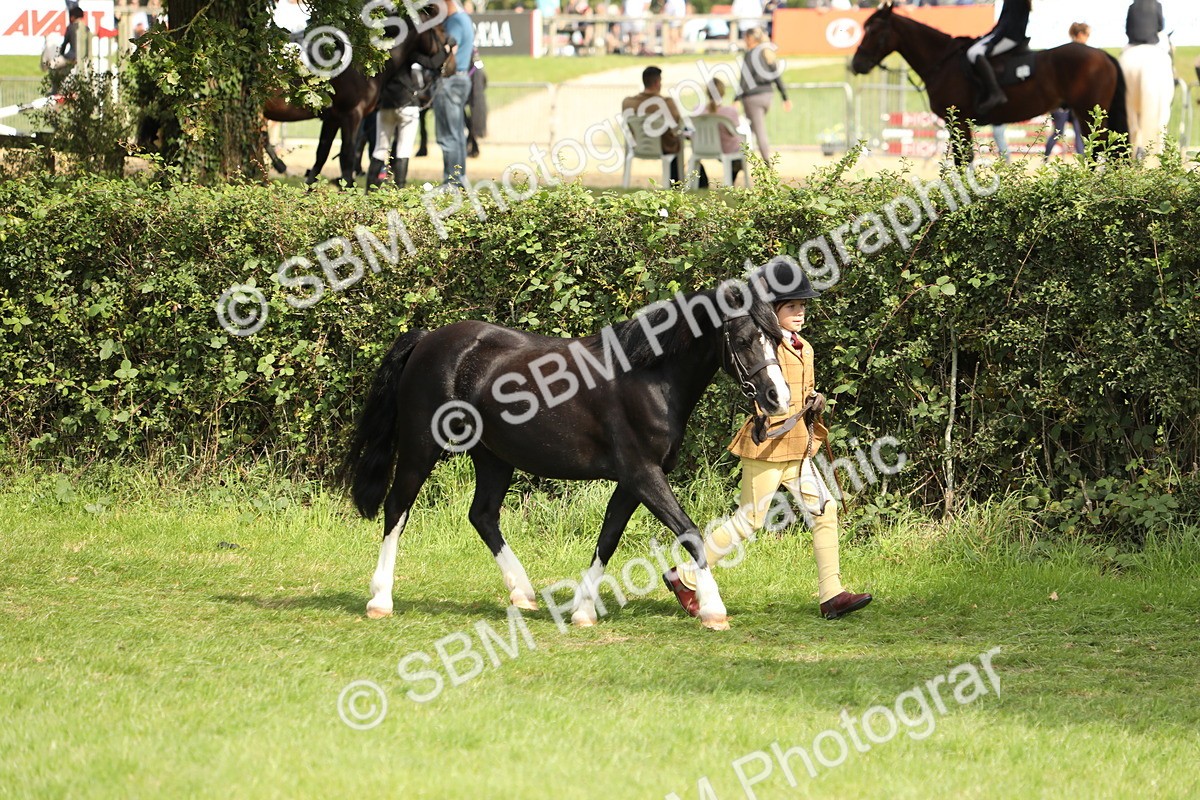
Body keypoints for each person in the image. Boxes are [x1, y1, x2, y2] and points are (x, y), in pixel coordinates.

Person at [663, 260, 873, 621]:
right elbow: (761, 389)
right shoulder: (766, 346)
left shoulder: (803, 346)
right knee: (749, 521)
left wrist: (814, 400)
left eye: (803, 306)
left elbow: (799, 389)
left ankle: (832, 594)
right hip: (769, 447)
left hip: (799, 447)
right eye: (792, 307)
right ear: (772, 311)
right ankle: (683, 575)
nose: (801, 313)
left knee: (825, 510)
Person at [966, 0, 1031, 117]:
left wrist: (993, 42)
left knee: (974, 53)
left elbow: (1009, 24)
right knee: (973, 49)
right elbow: (1002, 22)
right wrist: (985, 37)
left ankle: (995, 92)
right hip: (1004, 34)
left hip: (1011, 37)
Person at [433, 0, 474, 187]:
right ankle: (459, 178)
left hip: (450, 81)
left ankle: (451, 182)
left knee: (447, 136)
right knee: (456, 134)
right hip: (462, 78)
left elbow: (451, 51)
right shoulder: (463, 18)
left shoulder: (455, 22)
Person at [621, 66, 685, 184]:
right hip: (664, 147)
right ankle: (676, 182)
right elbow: (677, 124)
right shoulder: (666, 103)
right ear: (657, 82)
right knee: (677, 141)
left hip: (636, 146)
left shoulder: (628, 103)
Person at [737, 28, 790, 163]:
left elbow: (745, 77)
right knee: (753, 128)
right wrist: (785, 97)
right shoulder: (767, 54)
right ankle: (740, 162)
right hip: (767, 96)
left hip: (753, 97)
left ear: (750, 39)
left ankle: (766, 162)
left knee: (758, 131)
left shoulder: (750, 54)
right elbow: (777, 76)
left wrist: (737, 98)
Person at [1045, 22, 1089, 160]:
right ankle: (1083, 163)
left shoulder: (1064, 53)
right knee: (1072, 132)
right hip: (1068, 101)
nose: (1088, 38)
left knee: (1062, 132)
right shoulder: (1083, 54)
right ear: (1080, 35)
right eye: (1087, 35)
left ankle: (1045, 159)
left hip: (1062, 101)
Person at [700, 77, 743, 187]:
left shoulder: (699, 110)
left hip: (703, 148)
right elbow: (735, 130)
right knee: (742, 148)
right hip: (727, 149)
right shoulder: (730, 111)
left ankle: (702, 183)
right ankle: (730, 181)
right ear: (723, 92)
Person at [47, 5, 91, 90]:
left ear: (72, 17)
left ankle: (55, 90)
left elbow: (64, 44)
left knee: (52, 65)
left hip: (71, 57)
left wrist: (60, 54)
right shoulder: (87, 28)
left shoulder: (70, 28)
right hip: (84, 58)